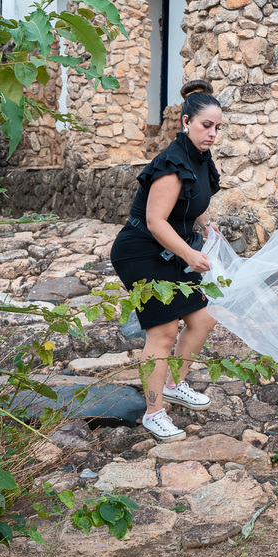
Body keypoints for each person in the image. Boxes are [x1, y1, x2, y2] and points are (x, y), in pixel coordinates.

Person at [109, 81, 222, 442]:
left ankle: (174, 384)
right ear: (187, 121)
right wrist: (190, 253)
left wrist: (205, 224)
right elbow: (157, 220)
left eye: (218, 127)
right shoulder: (172, 163)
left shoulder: (200, 160)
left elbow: (192, 203)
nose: (213, 134)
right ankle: (153, 412)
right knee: (163, 332)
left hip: (172, 248)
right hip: (142, 249)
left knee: (203, 319)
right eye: (207, 125)